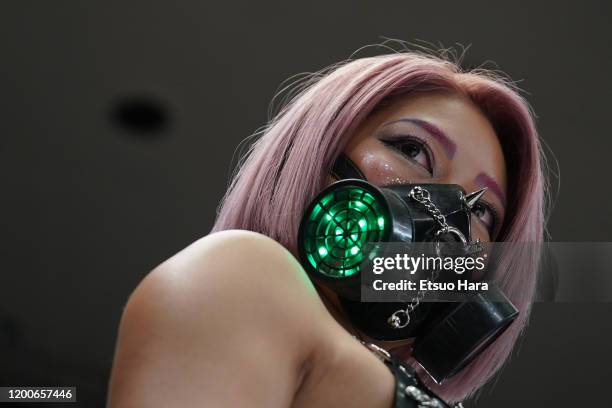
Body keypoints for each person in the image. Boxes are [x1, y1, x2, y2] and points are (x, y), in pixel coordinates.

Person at [107, 49, 546, 407]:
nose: (450, 221)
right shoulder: (240, 272)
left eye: (483, 212)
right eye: (412, 150)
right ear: (313, 157)